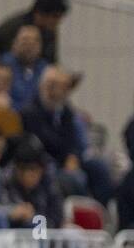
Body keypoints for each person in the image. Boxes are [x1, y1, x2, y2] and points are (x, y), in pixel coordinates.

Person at [20, 65, 115, 202]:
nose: (64, 92)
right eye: (60, 87)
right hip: (47, 162)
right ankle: (84, 214)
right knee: (75, 178)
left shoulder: (66, 111)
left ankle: (102, 211)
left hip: (67, 159)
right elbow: (45, 141)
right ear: (47, 86)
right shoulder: (30, 112)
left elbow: (73, 138)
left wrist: (73, 156)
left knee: (99, 168)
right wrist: (67, 157)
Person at [0, 134, 63, 230]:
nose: (26, 175)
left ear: (41, 170)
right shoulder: (5, 179)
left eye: (32, 169)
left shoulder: (49, 183)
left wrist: (34, 217)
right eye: (22, 169)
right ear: (16, 168)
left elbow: (57, 218)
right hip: (12, 233)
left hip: (44, 234)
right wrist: (12, 212)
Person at [0, 0, 69, 65]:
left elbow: (51, 62)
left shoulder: (49, 31)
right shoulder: (10, 28)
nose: (58, 22)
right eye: (55, 16)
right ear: (40, 13)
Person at [2, 24, 46, 111]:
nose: (29, 47)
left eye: (34, 43)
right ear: (14, 44)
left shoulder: (45, 69)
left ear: (40, 47)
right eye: (25, 42)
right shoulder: (3, 66)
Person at [0, 61, 22, 140]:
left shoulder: (15, 109)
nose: (0, 84)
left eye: (5, 81)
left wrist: (4, 111)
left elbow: (13, 136)